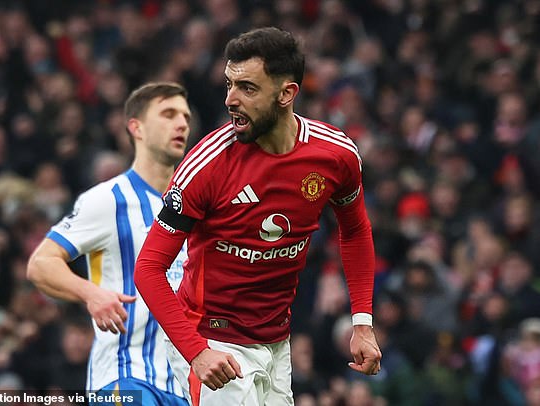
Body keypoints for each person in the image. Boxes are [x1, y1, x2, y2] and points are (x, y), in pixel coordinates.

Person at [134, 27, 381, 405]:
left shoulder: (335, 155)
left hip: (276, 341)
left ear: (287, 94)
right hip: (211, 338)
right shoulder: (208, 165)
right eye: (229, 84)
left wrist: (362, 323)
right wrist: (197, 352)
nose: (231, 99)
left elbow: (355, 230)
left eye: (247, 88)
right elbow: (148, 268)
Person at [26, 82, 192, 405]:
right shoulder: (108, 199)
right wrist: (91, 293)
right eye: (168, 114)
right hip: (125, 379)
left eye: (185, 116)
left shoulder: (195, 207)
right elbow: (41, 264)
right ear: (136, 127)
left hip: (185, 387)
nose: (182, 123)